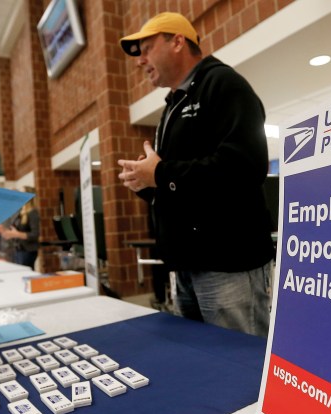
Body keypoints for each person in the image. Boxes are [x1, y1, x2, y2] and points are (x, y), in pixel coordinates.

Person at [117, 13, 275, 337]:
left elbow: (245, 166)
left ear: (177, 41)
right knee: (206, 370)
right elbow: (185, 186)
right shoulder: (172, 106)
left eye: (146, 48)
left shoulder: (223, 85)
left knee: (240, 370)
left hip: (228, 265)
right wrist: (148, 183)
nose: (140, 61)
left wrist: (160, 172)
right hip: (187, 268)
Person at [0, 187, 40, 269]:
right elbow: (14, 231)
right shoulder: (22, 213)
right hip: (18, 250)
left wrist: (16, 234)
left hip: (28, 250)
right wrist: (6, 232)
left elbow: (35, 235)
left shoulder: (33, 212)